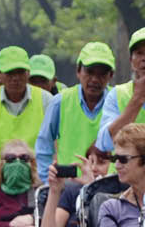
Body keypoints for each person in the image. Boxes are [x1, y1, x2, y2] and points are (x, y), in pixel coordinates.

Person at [0, 46, 55, 179]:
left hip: (38, 177)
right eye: (10, 73)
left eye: (20, 72)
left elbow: (58, 139)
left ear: (28, 73)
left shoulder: (46, 100)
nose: (15, 78)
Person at [35, 41, 116, 182]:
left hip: (109, 188)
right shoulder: (60, 102)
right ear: (78, 71)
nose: (95, 79)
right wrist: (48, 183)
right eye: (90, 72)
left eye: (102, 74)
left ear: (111, 75)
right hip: (68, 188)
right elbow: (44, 146)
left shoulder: (118, 101)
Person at [96, 27, 145, 154]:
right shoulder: (117, 94)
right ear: (131, 61)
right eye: (139, 53)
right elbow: (106, 143)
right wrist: (138, 98)